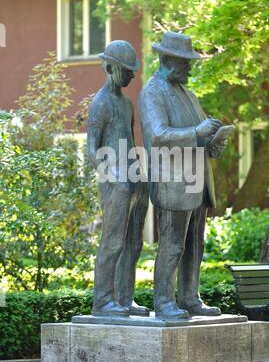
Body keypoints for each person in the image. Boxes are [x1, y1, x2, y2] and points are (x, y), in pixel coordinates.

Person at [139, 31, 227, 320]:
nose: (190, 67)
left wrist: (213, 142)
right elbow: (158, 134)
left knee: (195, 244)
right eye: (184, 62)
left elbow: (199, 139)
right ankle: (164, 302)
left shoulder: (188, 94)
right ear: (166, 59)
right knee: (172, 244)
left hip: (197, 182)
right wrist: (197, 132)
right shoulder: (153, 91)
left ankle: (190, 297)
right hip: (172, 182)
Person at [88, 40, 149, 317]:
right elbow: (91, 149)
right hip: (115, 183)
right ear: (111, 67)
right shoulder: (100, 103)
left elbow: (130, 139)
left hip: (135, 180)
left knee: (134, 243)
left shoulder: (126, 104)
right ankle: (103, 302)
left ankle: (124, 298)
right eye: (127, 70)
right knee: (113, 242)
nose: (132, 75)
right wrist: (113, 178)